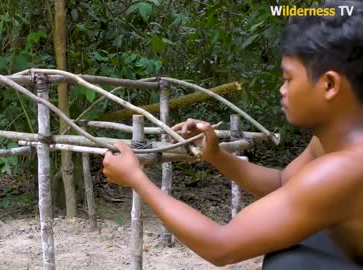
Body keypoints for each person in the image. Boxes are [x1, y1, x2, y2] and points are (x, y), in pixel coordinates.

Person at [102, 1, 363, 268]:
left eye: (288, 78)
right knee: (293, 254)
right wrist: (214, 155)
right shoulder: (334, 139)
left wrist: (136, 178)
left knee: (291, 265)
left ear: (329, 84)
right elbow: (283, 182)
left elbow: (221, 246)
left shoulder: (346, 169)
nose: (282, 90)